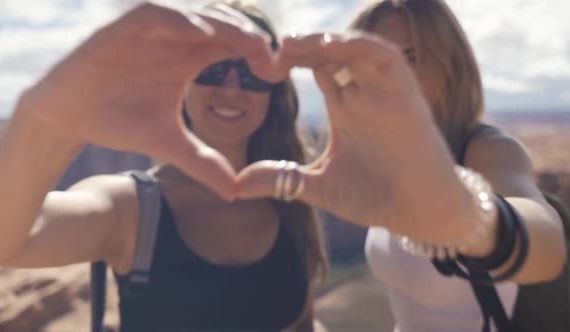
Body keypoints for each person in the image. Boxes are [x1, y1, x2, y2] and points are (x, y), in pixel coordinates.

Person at [0, 1, 327, 331]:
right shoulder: (132, 208)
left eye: (252, 71)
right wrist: (41, 121)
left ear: (274, 90)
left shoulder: (290, 197)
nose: (231, 88)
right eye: (213, 67)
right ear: (183, 78)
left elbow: (300, 322)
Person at [236, 0, 566, 331]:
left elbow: (547, 247)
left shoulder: (487, 151)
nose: (391, 78)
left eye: (410, 58)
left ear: (449, 66)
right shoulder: (379, 157)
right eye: (371, 62)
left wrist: (467, 219)